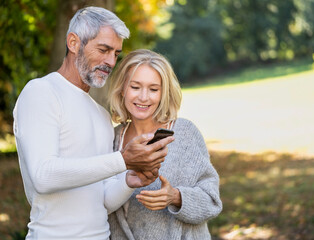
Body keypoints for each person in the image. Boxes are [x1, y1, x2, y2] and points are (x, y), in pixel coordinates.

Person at [12, 7, 173, 240]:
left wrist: (129, 181)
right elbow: (43, 177)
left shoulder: (101, 115)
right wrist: (122, 160)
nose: (110, 61)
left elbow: (102, 202)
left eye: (116, 53)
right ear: (73, 42)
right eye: (103, 49)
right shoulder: (41, 92)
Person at [107, 49, 223, 240]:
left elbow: (212, 201)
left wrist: (176, 197)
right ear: (122, 89)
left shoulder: (184, 133)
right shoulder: (112, 139)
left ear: (164, 93)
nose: (143, 97)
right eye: (135, 87)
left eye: (153, 89)